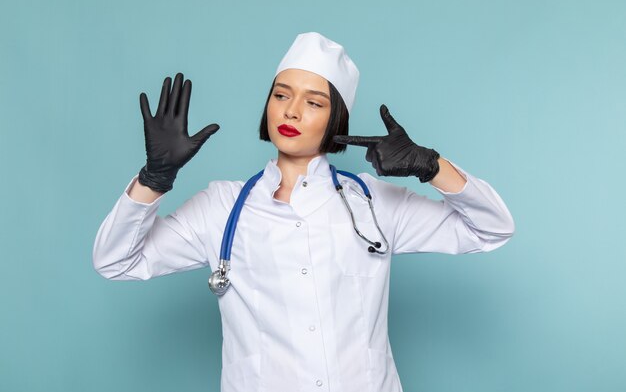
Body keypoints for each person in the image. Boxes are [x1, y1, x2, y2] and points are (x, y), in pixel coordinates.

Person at [93, 32, 515, 392]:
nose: (292, 111)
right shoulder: (222, 208)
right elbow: (116, 261)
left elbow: (492, 229)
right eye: (281, 95)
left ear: (337, 121)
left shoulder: (372, 203)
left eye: (314, 102)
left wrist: (432, 166)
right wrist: (154, 178)